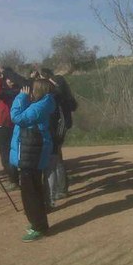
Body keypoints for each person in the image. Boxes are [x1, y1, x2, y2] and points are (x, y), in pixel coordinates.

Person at [10, 79, 56, 242]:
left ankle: (38, 226)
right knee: (33, 189)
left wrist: (20, 98)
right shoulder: (44, 102)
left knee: (30, 193)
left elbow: (17, 117)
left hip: (32, 152)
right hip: (32, 150)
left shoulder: (39, 107)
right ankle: (39, 223)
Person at [39, 68, 77, 205]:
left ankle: (59, 190)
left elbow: (63, 120)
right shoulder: (59, 96)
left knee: (55, 162)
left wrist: (57, 137)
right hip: (55, 132)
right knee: (57, 161)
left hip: (56, 133)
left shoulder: (58, 98)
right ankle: (60, 189)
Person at [0, 66, 20, 191]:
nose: (10, 81)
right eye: (8, 79)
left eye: (11, 78)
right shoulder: (17, 90)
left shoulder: (14, 91)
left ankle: (13, 180)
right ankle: (13, 177)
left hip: (6, 125)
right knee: (8, 153)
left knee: (7, 153)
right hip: (6, 124)